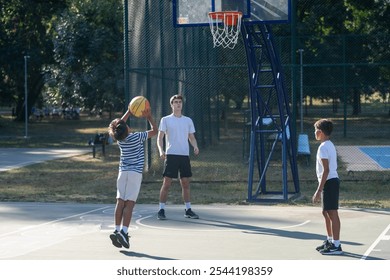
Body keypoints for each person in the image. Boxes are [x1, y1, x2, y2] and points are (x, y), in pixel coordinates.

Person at [108, 104, 157, 249]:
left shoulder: (119, 139)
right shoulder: (137, 137)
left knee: (120, 202)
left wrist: (129, 112)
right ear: (127, 129)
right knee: (129, 204)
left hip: (122, 174)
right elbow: (155, 131)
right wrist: (149, 117)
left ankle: (116, 229)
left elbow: (117, 127)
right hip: (134, 174)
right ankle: (124, 232)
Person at [156, 94, 199, 220]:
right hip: (171, 155)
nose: (178, 104)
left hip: (184, 155)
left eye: (180, 102)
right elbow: (160, 138)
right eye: (175, 102)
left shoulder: (188, 120)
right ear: (171, 104)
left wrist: (195, 146)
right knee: (167, 183)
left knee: (185, 183)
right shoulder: (165, 120)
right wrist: (160, 150)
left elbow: (191, 137)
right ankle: (161, 210)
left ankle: (188, 209)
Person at [312, 119, 342, 255]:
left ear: (320, 132)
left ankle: (336, 245)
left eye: (315, 130)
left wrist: (319, 190)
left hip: (329, 182)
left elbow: (326, 170)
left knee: (332, 212)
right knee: (325, 212)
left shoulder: (323, 147)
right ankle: (330, 240)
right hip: (329, 181)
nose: (314, 133)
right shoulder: (328, 144)